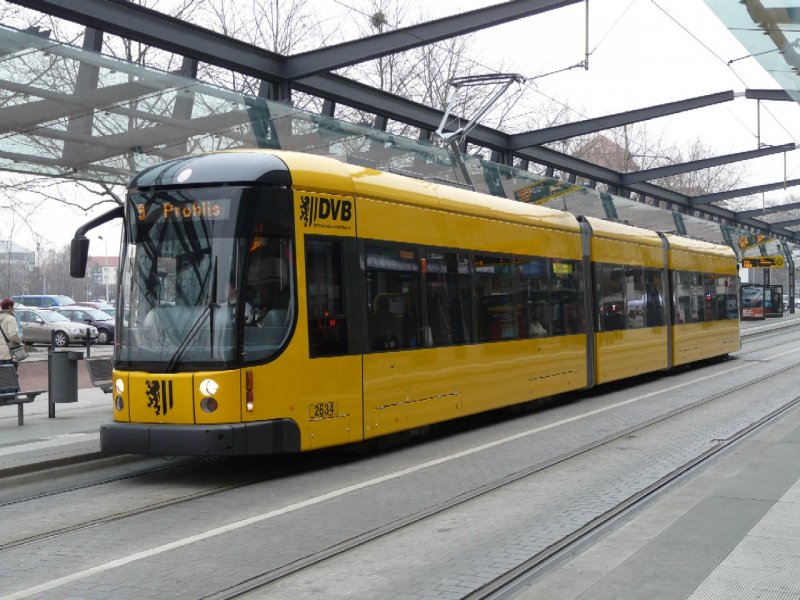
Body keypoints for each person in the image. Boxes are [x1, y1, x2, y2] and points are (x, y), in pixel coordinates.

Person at [0, 297, 22, 373]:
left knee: (2, 379)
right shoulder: (10, 318)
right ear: (9, 307)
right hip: (9, 354)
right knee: (11, 379)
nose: (13, 309)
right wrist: (20, 340)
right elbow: (13, 335)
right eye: (13, 307)